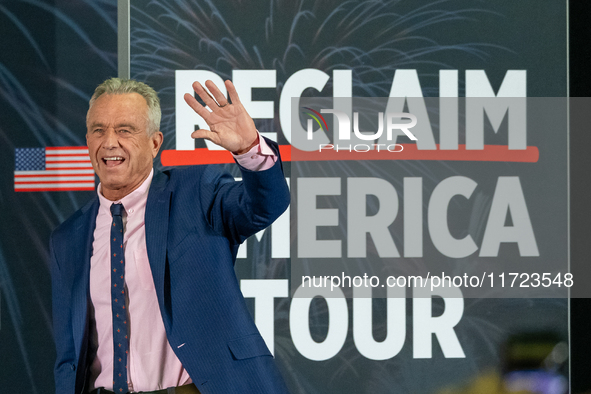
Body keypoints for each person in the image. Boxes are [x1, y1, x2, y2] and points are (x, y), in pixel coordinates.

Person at [49, 77, 290, 394]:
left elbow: (264, 205)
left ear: (154, 142)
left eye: (124, 130)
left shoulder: (196, 192)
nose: (109, 141)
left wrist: (249, 149)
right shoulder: (68, 238)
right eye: (98, 129)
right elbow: (70, 355)